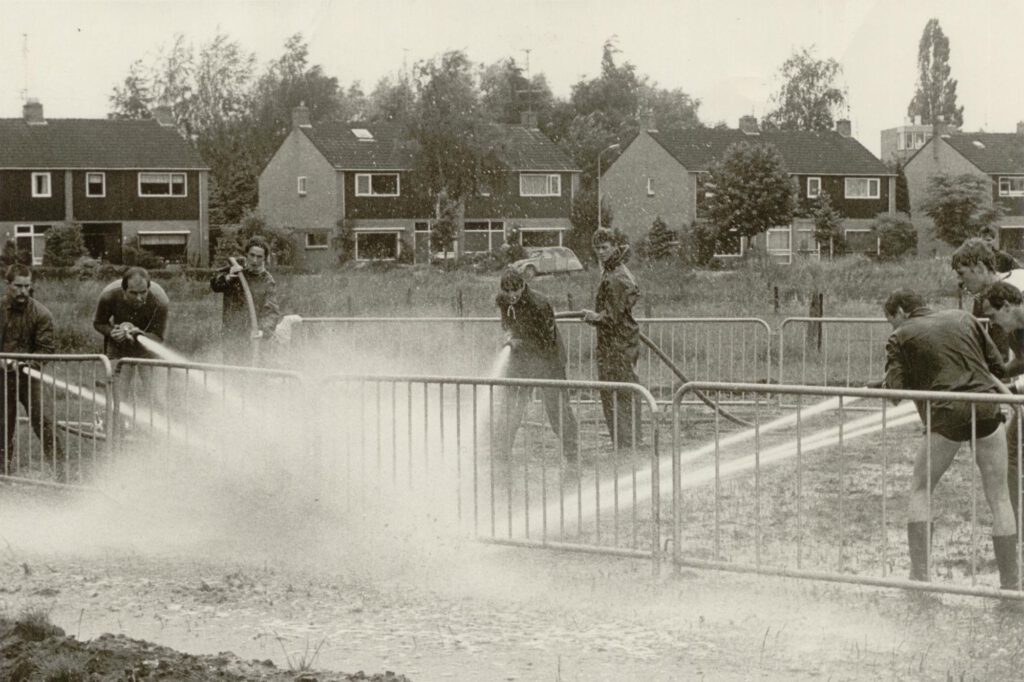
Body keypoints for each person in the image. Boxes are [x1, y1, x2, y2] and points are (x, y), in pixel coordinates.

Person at [882, 288, 1018, 589]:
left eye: (890, 319)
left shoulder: (900, 335)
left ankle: (919, 577)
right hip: (985, 407)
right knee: (999, 497)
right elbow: (997, 367)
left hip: (946, 413)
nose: (892, 326)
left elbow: (893, 392)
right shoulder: (964, 317)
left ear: (901, 312)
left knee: (921, 488)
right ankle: (1010, 584)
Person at [496, 268, 578, 461]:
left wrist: (520, 342)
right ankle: (501, 452)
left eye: (514, 290)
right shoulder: (503, 301)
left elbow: (546, 341)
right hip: (522, 358)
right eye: (506, 291)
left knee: (557, 408)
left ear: (523, 285)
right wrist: (509, 335)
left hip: (549, 360)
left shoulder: (539, 304)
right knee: (511, 404)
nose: (511, 296)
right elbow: (507, 323)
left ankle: (573, 451)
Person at [0, 265, 66, 482]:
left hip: (30, 377)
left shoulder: (42, 313)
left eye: (27, 286)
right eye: (18, 286)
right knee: (2, 423)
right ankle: (2, 471)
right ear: (8, 284)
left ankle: (61, 471)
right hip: (1, 378)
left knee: (45, 420)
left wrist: (22, 363)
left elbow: (46, 350)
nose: (22, 291)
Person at [581, 228, 643, 448]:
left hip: (618, 345)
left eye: (605, 247)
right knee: (617, 392)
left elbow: (612, 317)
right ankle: (625, 441)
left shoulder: (616, 276)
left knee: (619, 394)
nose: (600, 252)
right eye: (597, 248)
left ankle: (627, 443)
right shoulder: (612, 270)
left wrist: (594, 317)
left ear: (614, 247)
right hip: (616, 343)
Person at [977, 280, 1024, 530]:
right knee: (1010, 452)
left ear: (1006, 306)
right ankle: (1015, 524)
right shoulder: (1016, 332)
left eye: (993, 316)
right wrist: (997, 373)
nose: (992, 324)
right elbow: (1022, 362)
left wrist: (1012, 387)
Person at [93, 267, 169, 403]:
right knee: (117, 398)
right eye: (133, 293)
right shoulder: (108, 296)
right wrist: (112, 332)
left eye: (143, 293)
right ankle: (117, 422)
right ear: (123, 291)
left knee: (157, 397)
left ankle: (153, 422)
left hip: (148, 348)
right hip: (118, 348)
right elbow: (99, 323)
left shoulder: (160, 301)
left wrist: (142, 335)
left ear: (149, 288)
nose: (139, 298)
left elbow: (158, 337)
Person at [210, 236, 281, 366]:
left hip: (253, 337)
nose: (254, 260)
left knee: (251, 374)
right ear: (246, 254)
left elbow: (272, 311)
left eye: (259, 257)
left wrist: (263, 330)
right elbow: (215, 284)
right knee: (230, 373)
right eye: (252, 255)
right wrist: (227, 278)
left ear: (265, 258)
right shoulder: (237, 269)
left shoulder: (267, 281)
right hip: (231, 334)